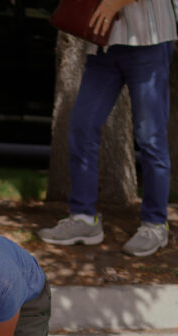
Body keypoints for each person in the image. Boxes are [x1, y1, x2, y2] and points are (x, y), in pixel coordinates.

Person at [39, 0, 176, 258]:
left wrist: (114, 4)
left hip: (149, 40)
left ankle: (155, 225)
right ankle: (83, 218)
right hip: (103, 44)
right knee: (82, 128)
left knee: (150, 138)